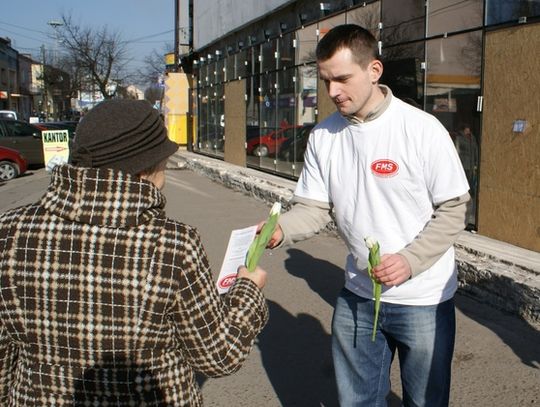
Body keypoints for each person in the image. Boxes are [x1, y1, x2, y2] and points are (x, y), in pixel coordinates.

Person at [0, 99, 268, 405]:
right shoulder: (172, 243)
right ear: (146, 167)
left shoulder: (8, 230)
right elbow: (219, 356)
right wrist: (247, 291)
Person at [264, 25, 470, 406]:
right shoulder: (324, 136)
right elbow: (313, 208)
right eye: (326, 81)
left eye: (342, 78)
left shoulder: (422, 130)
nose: (332, 92)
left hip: (423, 298)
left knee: (426, 401)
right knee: (358, 401)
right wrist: (279, 231)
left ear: (374, 70)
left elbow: (453, 209)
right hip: (358, 293)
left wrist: (410, 261)